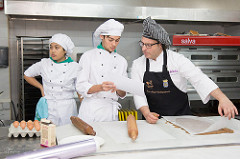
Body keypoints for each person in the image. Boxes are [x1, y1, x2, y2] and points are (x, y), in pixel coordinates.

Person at [131, 17, 238, 124]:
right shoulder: (138, 64)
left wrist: (222, 99)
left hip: (181, 120)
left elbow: (199, 78)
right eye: (142, 43)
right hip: (153, 122)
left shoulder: (177, 60)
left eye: (148, 45)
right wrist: (146, 113)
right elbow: (138, 93)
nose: (143, 49)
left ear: (160, 45)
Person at [76, 19, 128, 123]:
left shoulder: (122, 61)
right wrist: (100, 87)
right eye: (110, 39)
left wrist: (118, 88)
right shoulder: (88, 56)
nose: (114, 44)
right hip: (91, 110)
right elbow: (80, 86)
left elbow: (122, 93)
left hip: (110, 112)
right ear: (102, 36)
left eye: (117, 40)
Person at [24, 33, 80, 126]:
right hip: (48, 107)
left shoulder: (75, 67)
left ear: (65, 50)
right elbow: (27, 75)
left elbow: (80, 90)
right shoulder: (44, 63)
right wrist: (41, 87)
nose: (52, 51)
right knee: (47, 135)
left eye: (57, 47)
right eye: (51, 47)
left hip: (67, 108)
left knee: (67, 135)